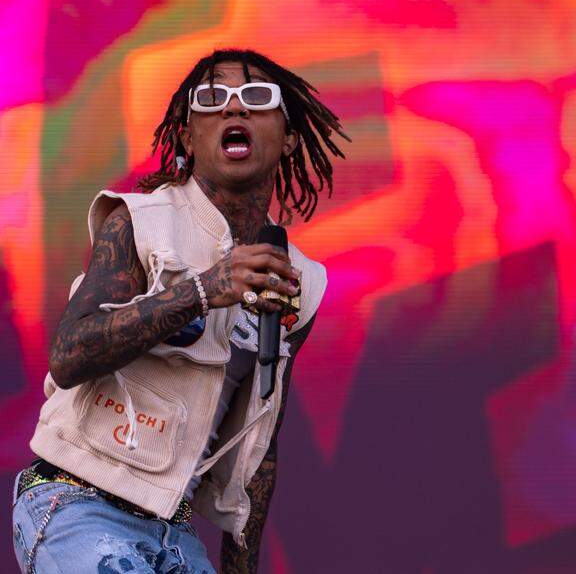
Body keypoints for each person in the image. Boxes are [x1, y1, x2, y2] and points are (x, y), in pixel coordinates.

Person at [12, 49, 348, 573]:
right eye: (212, 99)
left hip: (174, 532)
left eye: (256, 97)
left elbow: (259, 448)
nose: (234, 108)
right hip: (76, 500)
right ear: (188, 137)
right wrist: (203, 290)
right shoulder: (140, 223)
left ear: (288, 136)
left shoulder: (299, 283)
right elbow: (69, 355)